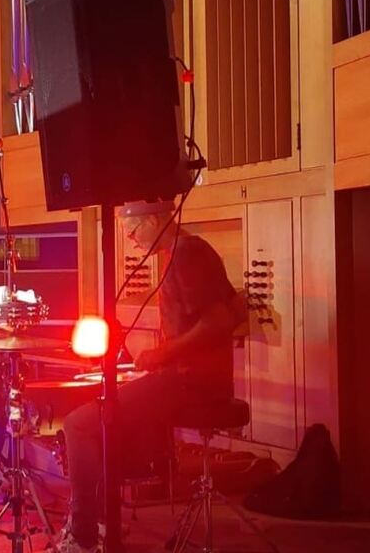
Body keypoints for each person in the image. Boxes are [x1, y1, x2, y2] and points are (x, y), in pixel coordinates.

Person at [52, 202, 242, 553]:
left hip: (190, 384)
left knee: (78, 424)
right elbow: (235, 308)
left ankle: (84, 535)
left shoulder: (188, 255)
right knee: (105, 419)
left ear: (154, 219)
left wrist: (163, 354)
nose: (131, 240)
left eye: (134, 231)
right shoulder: (186, 252)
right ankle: (104, 524)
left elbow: (218, 322)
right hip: (186, 378)